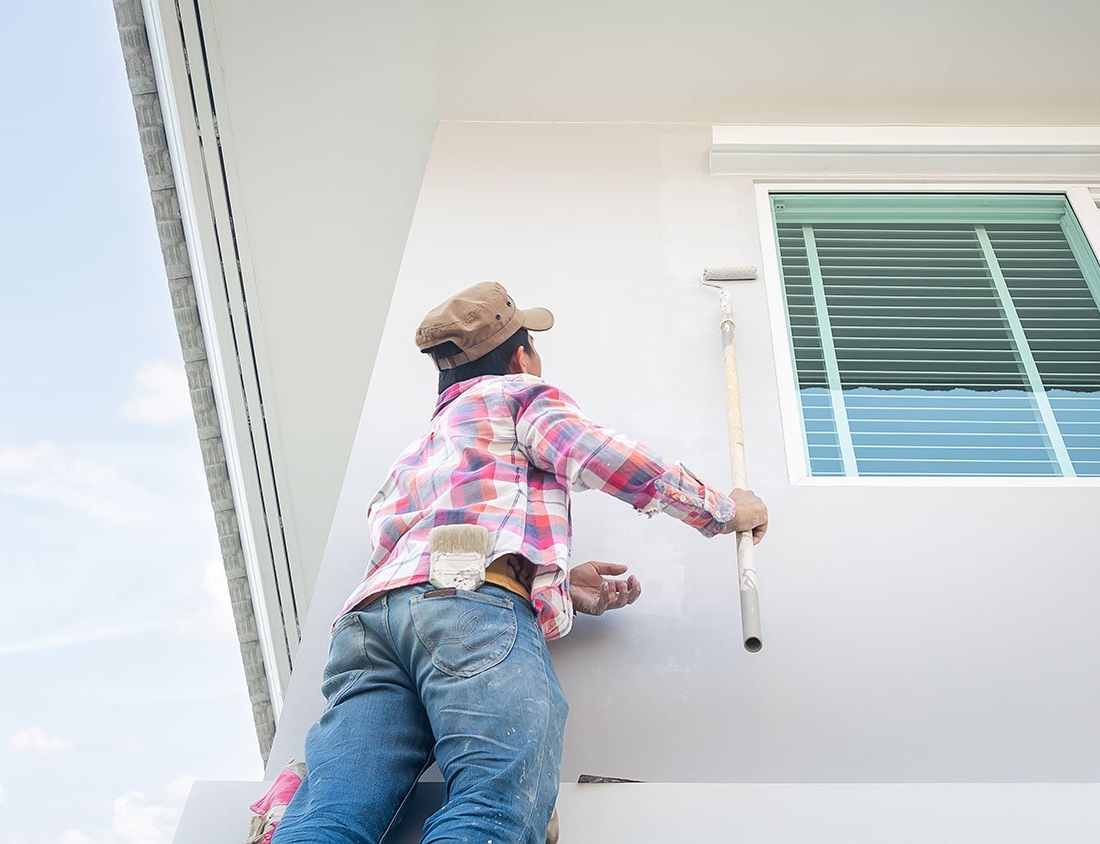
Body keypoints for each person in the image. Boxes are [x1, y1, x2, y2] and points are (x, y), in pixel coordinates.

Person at [273, 282, 770, 844]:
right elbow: (597, 454)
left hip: (367, 629)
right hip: (465, 605)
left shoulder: (419, 451)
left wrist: (550, 583)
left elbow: (432, 563)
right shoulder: (518, 396)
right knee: (492, 806)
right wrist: (722, 511)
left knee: (330, 817)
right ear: (519, 356)